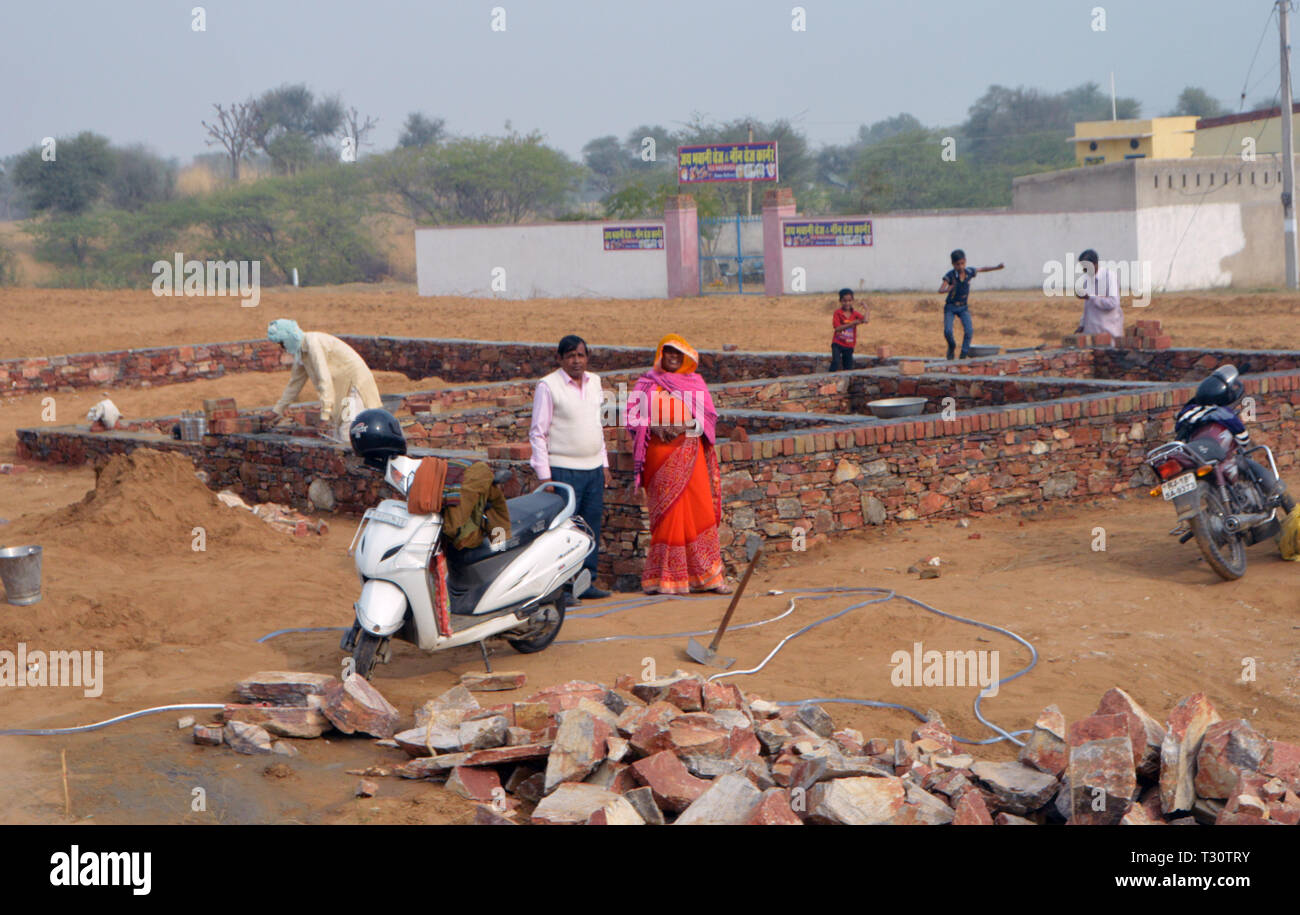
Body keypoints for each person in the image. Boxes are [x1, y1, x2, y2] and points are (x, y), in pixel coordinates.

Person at [627, 334, 731, 595]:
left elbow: (708, 419)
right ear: (660, 354)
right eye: (668, 352)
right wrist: (655, 426)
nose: (672, 357)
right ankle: (664, 580)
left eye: (677, 353)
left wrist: (684, 426)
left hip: (689, 452)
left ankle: (709, 577)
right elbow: (631, 417)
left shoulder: (695, 383)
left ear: (684, 357)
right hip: (658, 455)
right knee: (668, 515)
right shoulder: (646, 383)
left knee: (699, 510)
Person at [529, 335, 612, 600]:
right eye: (570, 356)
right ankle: (561, 588)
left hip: (594, 470)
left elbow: (597, 426)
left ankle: (586, 583)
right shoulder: (548, 386)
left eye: (580, 355)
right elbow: (538, 433)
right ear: (560, 359)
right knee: (564, 532)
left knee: (590, 530)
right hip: (563, 470)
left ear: (587, 357)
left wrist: (605, 464)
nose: (576, 361)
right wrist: (546, 476)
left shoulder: (595, 382)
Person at [267, 319, 382, 438]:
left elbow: (324, 379)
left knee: (347, 432)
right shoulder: (301, 353)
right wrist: (277, 411)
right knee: (339, 433)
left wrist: (325, 414)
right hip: (343, 389)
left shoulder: (313, 343)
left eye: (282, 343)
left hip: (355, 384)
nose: (282, 347)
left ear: (289, 337)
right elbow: (294, 385)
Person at [938, 249, 1005, 359]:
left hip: (963, 307)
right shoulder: (950, 276)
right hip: (950, 307)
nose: (960, 267)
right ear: (953, 264)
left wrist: (997, 267)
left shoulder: (969, 272)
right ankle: (952, 346)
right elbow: (940, 290)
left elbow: (983, 269)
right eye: (957, 264)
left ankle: (963, 354)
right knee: (948, 331)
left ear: (965, 262)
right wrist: (947, 289)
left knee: (969, 331)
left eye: (962, 264)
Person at [1074, 248, 1124, 338]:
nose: (1084, 270)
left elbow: (1113, 303)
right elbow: (1088, 306)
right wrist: (1082, 325)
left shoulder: (1109, 277)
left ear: (1095, 264)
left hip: (1108, 331)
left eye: (1086, 267)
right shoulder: (1086, 279)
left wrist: (1090, 297)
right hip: (1091, 331)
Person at [830, 288, 868, 371]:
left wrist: (866, 309)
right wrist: (852, 324)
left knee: (848, 366)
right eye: (844, 301)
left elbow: (865, 320)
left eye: (849, 301)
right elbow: (837, 328)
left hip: (849, 345)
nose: (847, 303)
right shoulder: (838, 313)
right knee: (835, 362)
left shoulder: (855, 313)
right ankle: (829, 379)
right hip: (838, 343)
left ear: (852, 301)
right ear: (840, 301)